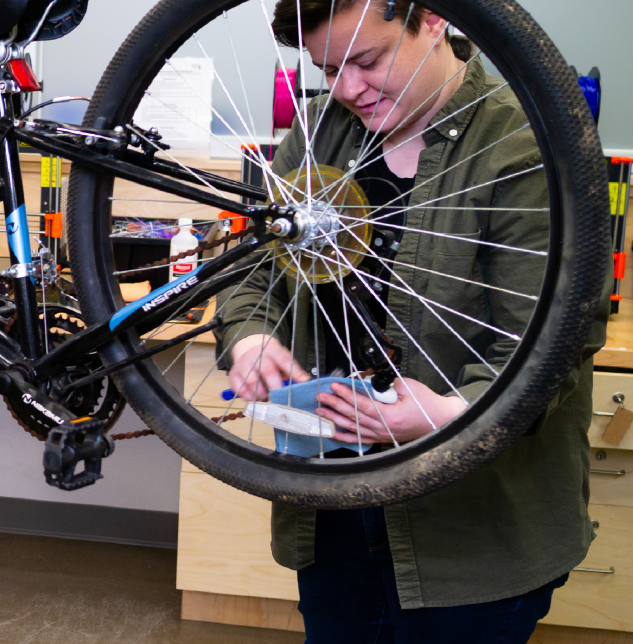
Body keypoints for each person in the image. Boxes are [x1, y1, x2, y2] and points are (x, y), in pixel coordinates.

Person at [213, 1, 609, 641]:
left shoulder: (527, 143)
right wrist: (252, 338)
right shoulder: (318, 131)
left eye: (367, 61)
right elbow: (258, 269)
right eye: (327, 68)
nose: (348, 90)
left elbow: (556, 338)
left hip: (472, 530)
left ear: (429, 18)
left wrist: (452, 417)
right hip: (334, 501)